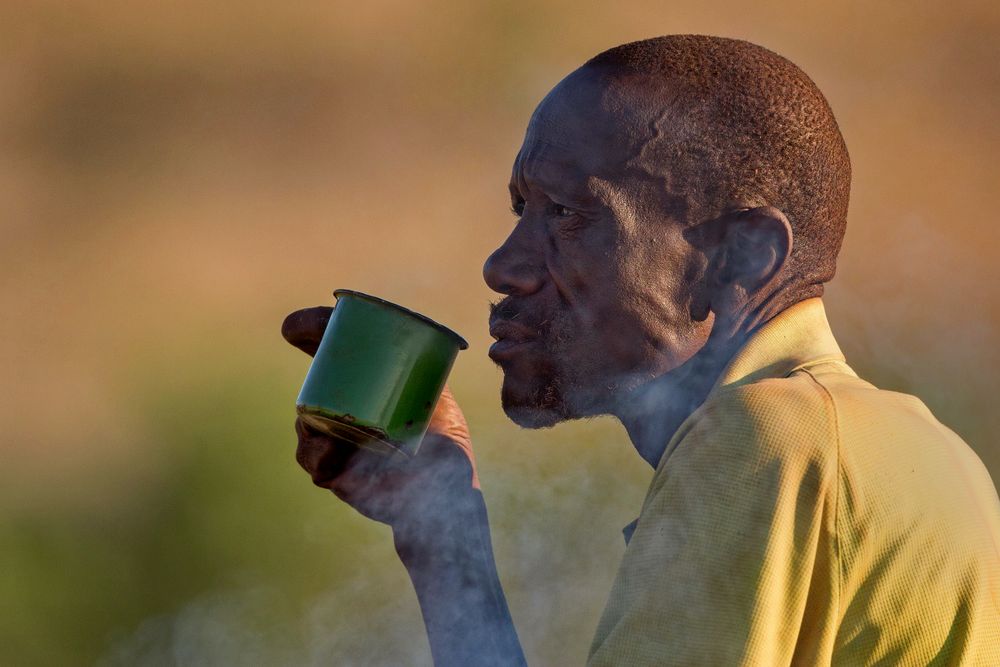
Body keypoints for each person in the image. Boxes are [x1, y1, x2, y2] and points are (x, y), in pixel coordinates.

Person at [282, 35, 1000, 665]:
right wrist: (441, 532)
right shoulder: (932, 454)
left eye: (568, 215)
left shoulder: (769, 439)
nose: (503, 266)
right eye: (520, 211)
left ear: (739, 255)